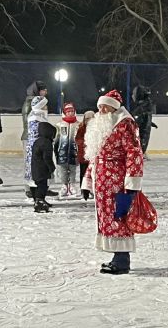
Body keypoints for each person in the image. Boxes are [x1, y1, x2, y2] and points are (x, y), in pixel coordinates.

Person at [83, 90, 144, 275]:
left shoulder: (125, 124)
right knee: (108, 219)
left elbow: (134, 153)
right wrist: (87, 181)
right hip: (102, 183)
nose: (101, 109)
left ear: (114, 107)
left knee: (120, 218)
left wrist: (132, 184)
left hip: (119, 183)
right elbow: (95, 156)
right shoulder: (103, 126)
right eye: (99, 105)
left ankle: (122, 260)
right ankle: (117, 256)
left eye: (105, 106)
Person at [24, 95, 57, 198]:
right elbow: (39, 133)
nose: (46, 107)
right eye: (45, 105)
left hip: (37, 147)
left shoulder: (36, 115)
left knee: (39, 172)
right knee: (40, 171)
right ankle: (38, 196)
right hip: (39, 148)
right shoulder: (36, 117)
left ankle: (40, 193)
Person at [54, 102, 80, 198]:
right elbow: (56, 140)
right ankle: (64, 185)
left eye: (72, 111)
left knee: (73, 171)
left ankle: (72, 185)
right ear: (64, 113)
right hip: (62, 153)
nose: (70, 113)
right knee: (63, 171)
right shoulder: (59, 125)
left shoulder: (78, 125)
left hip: (74, 153)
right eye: (68, 111)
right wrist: (56, 152)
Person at [32, 121, 57, 213]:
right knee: (42, 186)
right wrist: (51, 167)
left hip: (36, 168)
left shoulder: (38, 141)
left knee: (41, 185)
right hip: (42, 169)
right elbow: (47, 157)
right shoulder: (46, 143)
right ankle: (39, 202)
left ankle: (40, 200)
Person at [75, 111, 95, 200]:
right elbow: (78, 140)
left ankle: (93, 190)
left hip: (93, 156)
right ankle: (84, 192)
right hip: (84, 155)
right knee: (83, 174)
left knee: (93, 174)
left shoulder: (96, 128)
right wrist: (86, 143)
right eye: (87, 119)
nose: (89, 120)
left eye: (91, 118)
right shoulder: (81, 128)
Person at [131, 86, 157, 155]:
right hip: (144, 134)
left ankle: (140, 154)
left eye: (133, 94)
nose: (132, 96)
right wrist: (150, 123)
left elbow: (139, 120)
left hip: (141, 135)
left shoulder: (142, 108)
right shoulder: (146, 105)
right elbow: (145, 118)